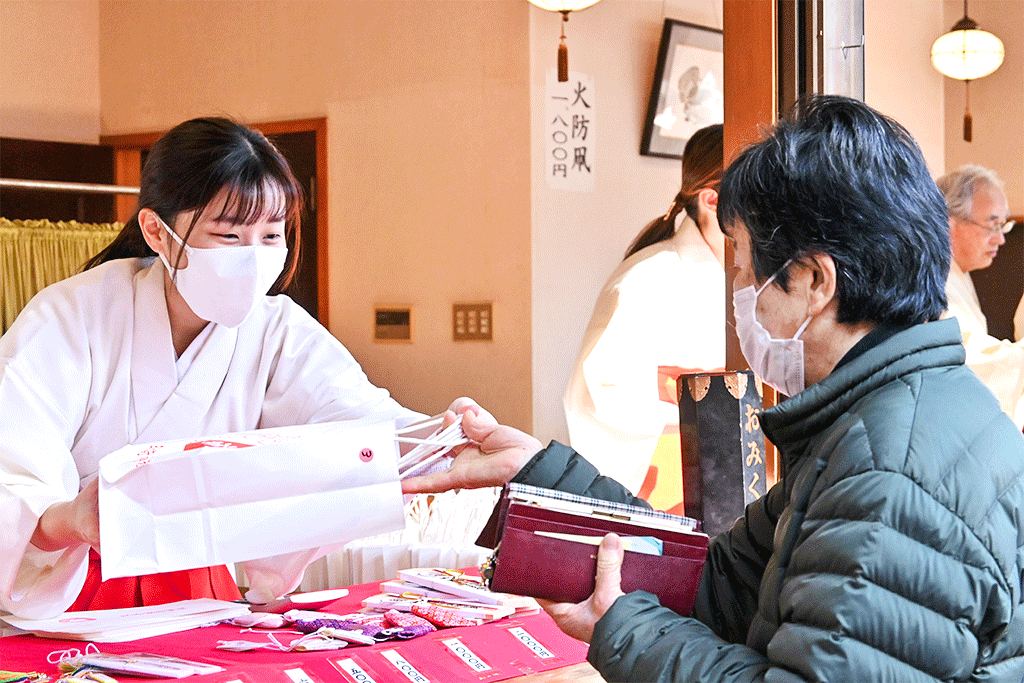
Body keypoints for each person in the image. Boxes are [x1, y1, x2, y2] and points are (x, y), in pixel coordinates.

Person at [405, 96, 1024, 681]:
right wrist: (543, 476)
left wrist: (623, 629)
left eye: (748, 270)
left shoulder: (887, 476)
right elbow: (720, 579)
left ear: (813, 281)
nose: (741, 299)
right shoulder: (881, 416)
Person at [0, 117, 426, 620]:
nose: (254, 257)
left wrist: (460, 444)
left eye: (271, 235)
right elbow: (12, 467)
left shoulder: (277, 328)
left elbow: (367, 423)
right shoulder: (72, 315)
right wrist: (71, 518)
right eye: (229, 235)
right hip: (64, 589)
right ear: (157, 231)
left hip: (201, 590)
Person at [564, 124, 725, 494]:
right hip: (667, 481)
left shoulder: (750, 276)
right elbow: (596, 397)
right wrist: (709, 419)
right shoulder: (645, 278)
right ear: (711, 200)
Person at [936, 165, 1024, 428]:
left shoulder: (958, 272)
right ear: (949, 223)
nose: (1000, 240)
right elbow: (968, 361)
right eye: (992, 225)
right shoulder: (934, 278)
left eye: (1004, 225)